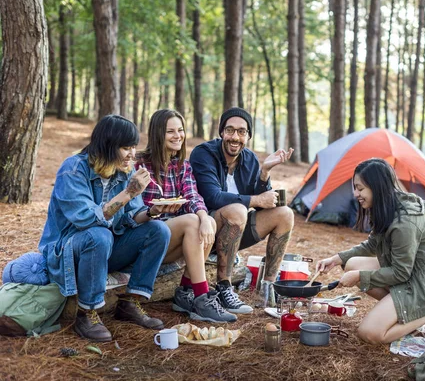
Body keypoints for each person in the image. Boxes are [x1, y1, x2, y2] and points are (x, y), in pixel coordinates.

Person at [38, 115, 171, 342]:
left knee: (159, 230)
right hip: (69, 252)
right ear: (107, 146)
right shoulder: (73, 169)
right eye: (125, 148)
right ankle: (87, 313)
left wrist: (151, 213)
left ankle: (130, 302)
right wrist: (128, 192)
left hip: (103, 249)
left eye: (133, 147)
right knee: (99, 235)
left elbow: (129, 218)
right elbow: (87, 220)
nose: (132, 154)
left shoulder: (124, 171)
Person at [316, 158, 425, 344]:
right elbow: (373, 244)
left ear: (377, 187)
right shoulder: (386, 208)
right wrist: (337, 259)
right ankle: (403, 311)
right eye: (355, 188)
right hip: (411, 273)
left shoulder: (405, 222)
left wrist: (359, 277)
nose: (356, 194)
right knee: (351, 264)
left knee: (369, 333)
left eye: (360, 188)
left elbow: (400, 272)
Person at [190, 107, 294, 313]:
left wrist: (264, 172)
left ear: (248, 135)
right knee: (237, 210)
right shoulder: (203, 154)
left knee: (285, 214)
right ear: (221, 132)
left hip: (233, 233)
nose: (235, 137)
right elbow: (213, 196)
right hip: (204, 231)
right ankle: (223, 287)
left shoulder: (250, 159)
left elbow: (262, 200)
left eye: (241, 132)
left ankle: (268, 288)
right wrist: (256, 199)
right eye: (229, 130)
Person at [136, 109, 236, 323]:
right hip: (144, 240)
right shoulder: (139, 165)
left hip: (169, 244)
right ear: (157, 134)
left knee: (205, 219)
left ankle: (185, 293)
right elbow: (133, 210)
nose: (177, 136)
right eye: (170, 131)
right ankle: (202, 297)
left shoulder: (182, 166)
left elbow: (192, 195)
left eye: (180, 130)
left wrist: (205, 216)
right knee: (194, 221)